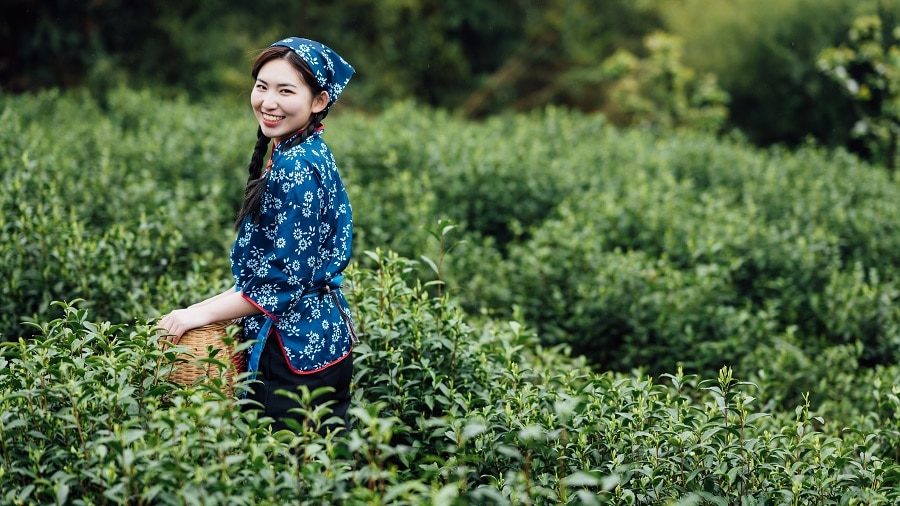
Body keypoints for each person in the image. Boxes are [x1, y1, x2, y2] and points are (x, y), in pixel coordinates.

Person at [158, 37, 358, 432]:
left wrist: (196, 313)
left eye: (286, 91)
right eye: (262, 86)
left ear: (319, 101)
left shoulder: (294, 167)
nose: (269, 101)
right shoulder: (307, 148)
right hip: (323, 338)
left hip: (292, 354)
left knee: (285, 467)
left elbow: (278, 285)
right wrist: (200, 308)